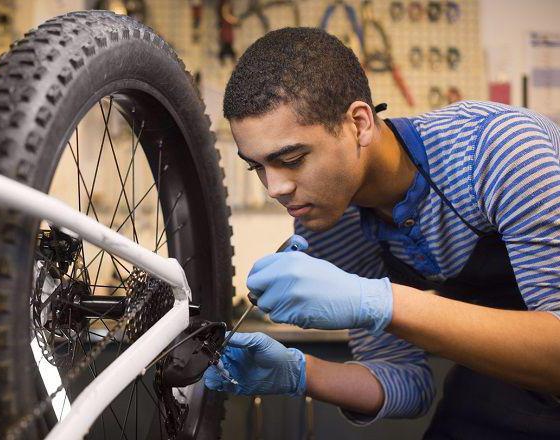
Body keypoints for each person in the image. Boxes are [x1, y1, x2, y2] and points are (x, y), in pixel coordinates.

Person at [203, 27, 560, 438]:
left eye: (293, 158)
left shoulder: (497, 153)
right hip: (504, 381)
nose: (275, 188)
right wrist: (300, 373)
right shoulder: (330, 224)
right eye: (258, 166)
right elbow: (408, 383)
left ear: (359, 123)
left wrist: (380, 302)